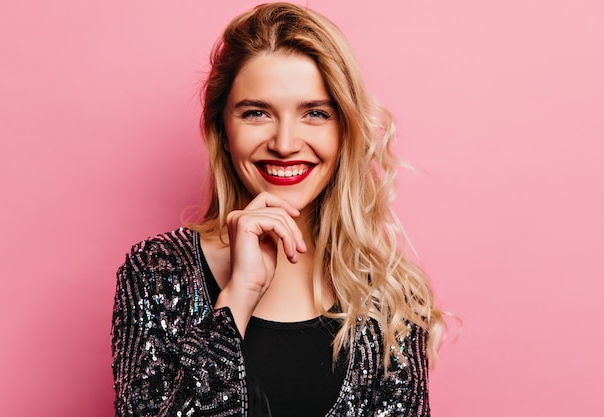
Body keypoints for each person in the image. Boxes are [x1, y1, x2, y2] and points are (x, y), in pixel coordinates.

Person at [111, 3, 445, 416]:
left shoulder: (392, 300)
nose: (285, 143)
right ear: (222, 129)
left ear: (345, 130)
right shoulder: (158, 271)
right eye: (256, 113)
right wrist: (239, 295)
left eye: (315, 114)